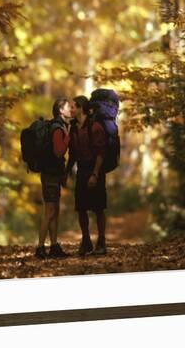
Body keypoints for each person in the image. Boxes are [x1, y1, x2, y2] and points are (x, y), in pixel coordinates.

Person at [65, 95, 107, 256]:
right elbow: (72, 154)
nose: (71, 109)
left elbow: (101, 153)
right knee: (81, 208)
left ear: (81, 108)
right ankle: (86, 241)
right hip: (82, 171)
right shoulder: (74, 128)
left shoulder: (95, 127)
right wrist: (67, 172)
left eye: (73, 106)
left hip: (95, 170)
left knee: (98, 208)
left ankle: (101, 242)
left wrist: (95, 175)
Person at [35, 98, 72, 259]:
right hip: (50, 175)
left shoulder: (60, 126)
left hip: (53, 174)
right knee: (49, 212)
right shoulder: (57, 129)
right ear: (60, 111)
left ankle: (54, 246)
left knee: (55, 211)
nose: (71, 109)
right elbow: (58, 152)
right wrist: (68, 138)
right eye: (67, 107)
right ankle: (40, 247)